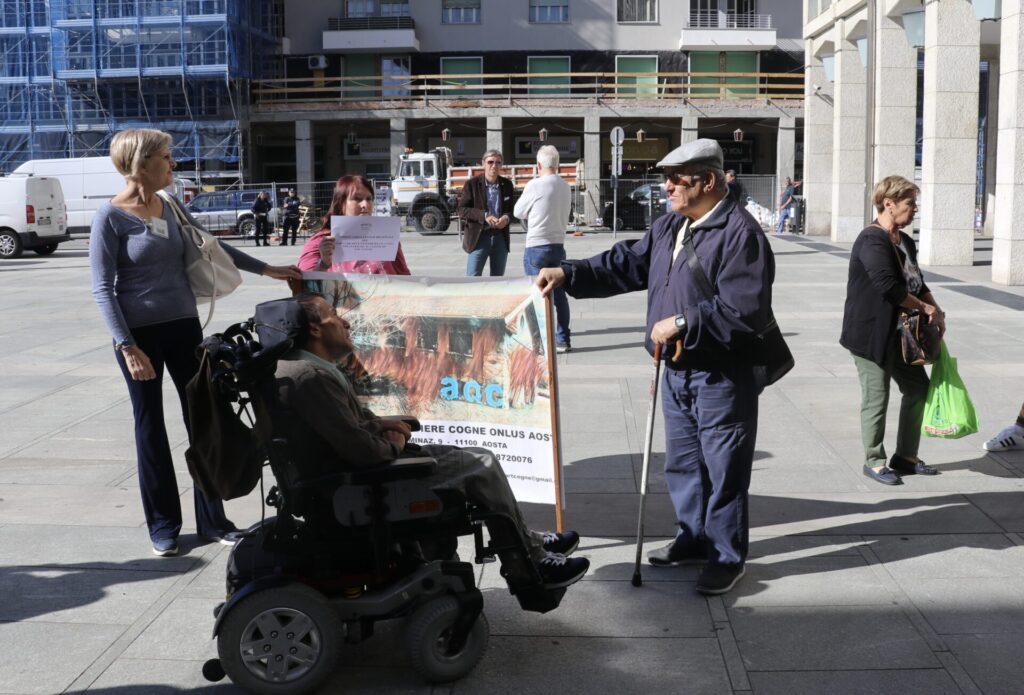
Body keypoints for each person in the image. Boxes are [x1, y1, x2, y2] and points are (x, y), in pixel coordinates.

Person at [535, 139, 775, 596]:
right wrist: (570, 272)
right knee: (684, 464)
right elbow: (629, 262)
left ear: (707, 180)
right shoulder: (671, 225)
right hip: (677, 370)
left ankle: (726, 554)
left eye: (675, 178)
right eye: (665, 177)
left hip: (722, 374)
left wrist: (683, 321)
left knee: (724, 468)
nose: (665, 186)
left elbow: (744, 311)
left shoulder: (740, 233)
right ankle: (693, 537)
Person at [275, 292, 590, 589]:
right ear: (315, 329)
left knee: (468, 455)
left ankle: (528, 540)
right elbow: (364, 451)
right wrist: (396, 437)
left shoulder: (308, 368)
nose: (344, 323)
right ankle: (532, 567)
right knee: (480, 464)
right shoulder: (310, 379)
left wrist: (384, 424)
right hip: (358, 483)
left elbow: (349, 426)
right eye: (333, 316)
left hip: (353, 472)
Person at [89, 128, 300, 557]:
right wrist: (127, 347)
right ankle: (163, 525)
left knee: (203, 420)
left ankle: (213, 520)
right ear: (142, 162)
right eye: (166, 157)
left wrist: (268, 270)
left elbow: (212, 246)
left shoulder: (168, 206)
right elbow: (101, 289)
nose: (173, 164)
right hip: (139, 337)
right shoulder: (109, 218)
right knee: (150, 428)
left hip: (184, 328)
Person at [841, 175, 945, 485]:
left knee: (917, 389)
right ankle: (874, 461)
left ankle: (905, 457)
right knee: (877, 396)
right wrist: (924, 308)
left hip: (902, 336)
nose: (915, 209)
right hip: (871, 333)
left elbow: (917, 282)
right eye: (910, 203)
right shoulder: (872, 240)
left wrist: (934, 307)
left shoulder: (905, 240)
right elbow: (888, 287)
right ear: (889, 204)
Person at [514, 145, 573, 353]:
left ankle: (537, 342)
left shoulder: (535, 185)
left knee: (535, 295)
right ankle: (563, 339)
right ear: (557, 164)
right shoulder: (566, 186)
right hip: (558, 245)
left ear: (538, 165)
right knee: (560, 296)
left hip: (536, 246)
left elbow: (518, 211)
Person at [297, 175, 410, 275]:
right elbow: (304, 284)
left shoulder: (386, 237)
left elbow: (404, 277)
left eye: (369, 199)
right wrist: (323, 264)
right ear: (341, 204)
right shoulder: (322, 241)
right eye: (357, 199)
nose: (365, 204)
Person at [458, 149, 514, 277]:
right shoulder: (471, 184)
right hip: (479, 237)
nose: (494, 166)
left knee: (498, 279)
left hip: (500, 237)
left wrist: (506, 218)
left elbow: (511, 210)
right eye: (490, 162)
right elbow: (461, 210)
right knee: (473, 277)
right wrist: (484, 216)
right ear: (483, 164)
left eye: (498, 162)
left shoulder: (507, 185)